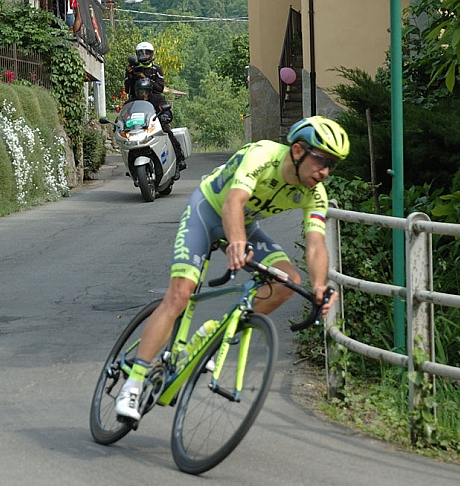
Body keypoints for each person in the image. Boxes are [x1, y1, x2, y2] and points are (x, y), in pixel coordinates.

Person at [115, 116, 348, 420]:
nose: (326, 171)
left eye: (333, 165)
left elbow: (316, 243)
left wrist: (319, 286)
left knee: (288, 280)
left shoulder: (314, 194)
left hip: (244, 225)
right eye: (322, 160)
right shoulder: (263, 155)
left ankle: (216, 332)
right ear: (298, 150)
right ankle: (133, 383)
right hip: (208, 210)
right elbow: (233, 203)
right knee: (180, 294)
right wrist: (236, 242)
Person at [130, 77, 187, 178]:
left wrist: (166, 115)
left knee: (169, 134)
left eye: (145, 91)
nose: (143, 94)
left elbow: (165, 108)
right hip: (138, 128)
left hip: (156, 126)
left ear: (149, 90)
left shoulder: (157, 98)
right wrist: (120, 121)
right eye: (140, 91)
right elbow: (125, 113)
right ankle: (131, 166)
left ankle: (178, 160)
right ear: (136, 91)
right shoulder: (132, 102)